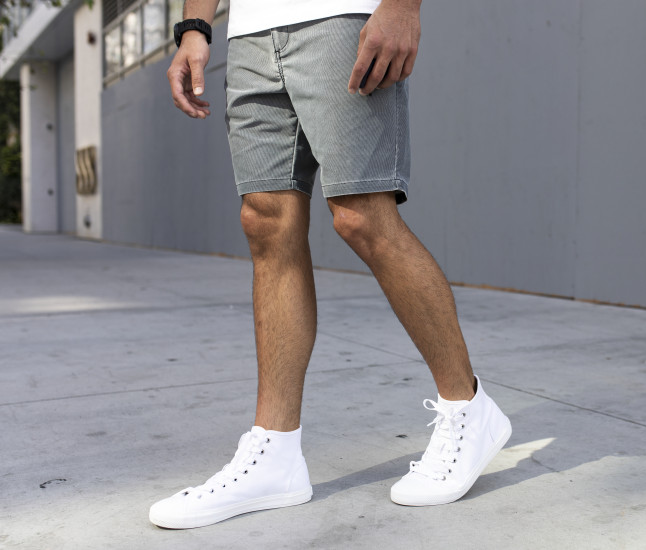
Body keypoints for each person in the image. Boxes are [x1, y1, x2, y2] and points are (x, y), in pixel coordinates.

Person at [149, 0, 511, 529]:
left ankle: (468, 408)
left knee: (362, 216)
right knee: (265, 221)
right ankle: (275, 453)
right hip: (249, 37)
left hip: (344, 19)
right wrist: (194, 27)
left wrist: (403, 7)